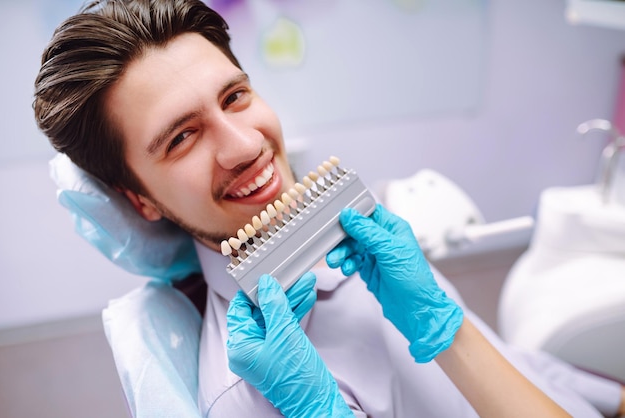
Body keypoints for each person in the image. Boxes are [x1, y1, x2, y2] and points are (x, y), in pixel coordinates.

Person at [33, 0, 625, 417]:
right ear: (140, 199)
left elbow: (513, 363)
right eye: (182, 137)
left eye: (235, 97)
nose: (246, 145)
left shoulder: (378, 251)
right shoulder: (247, 394)